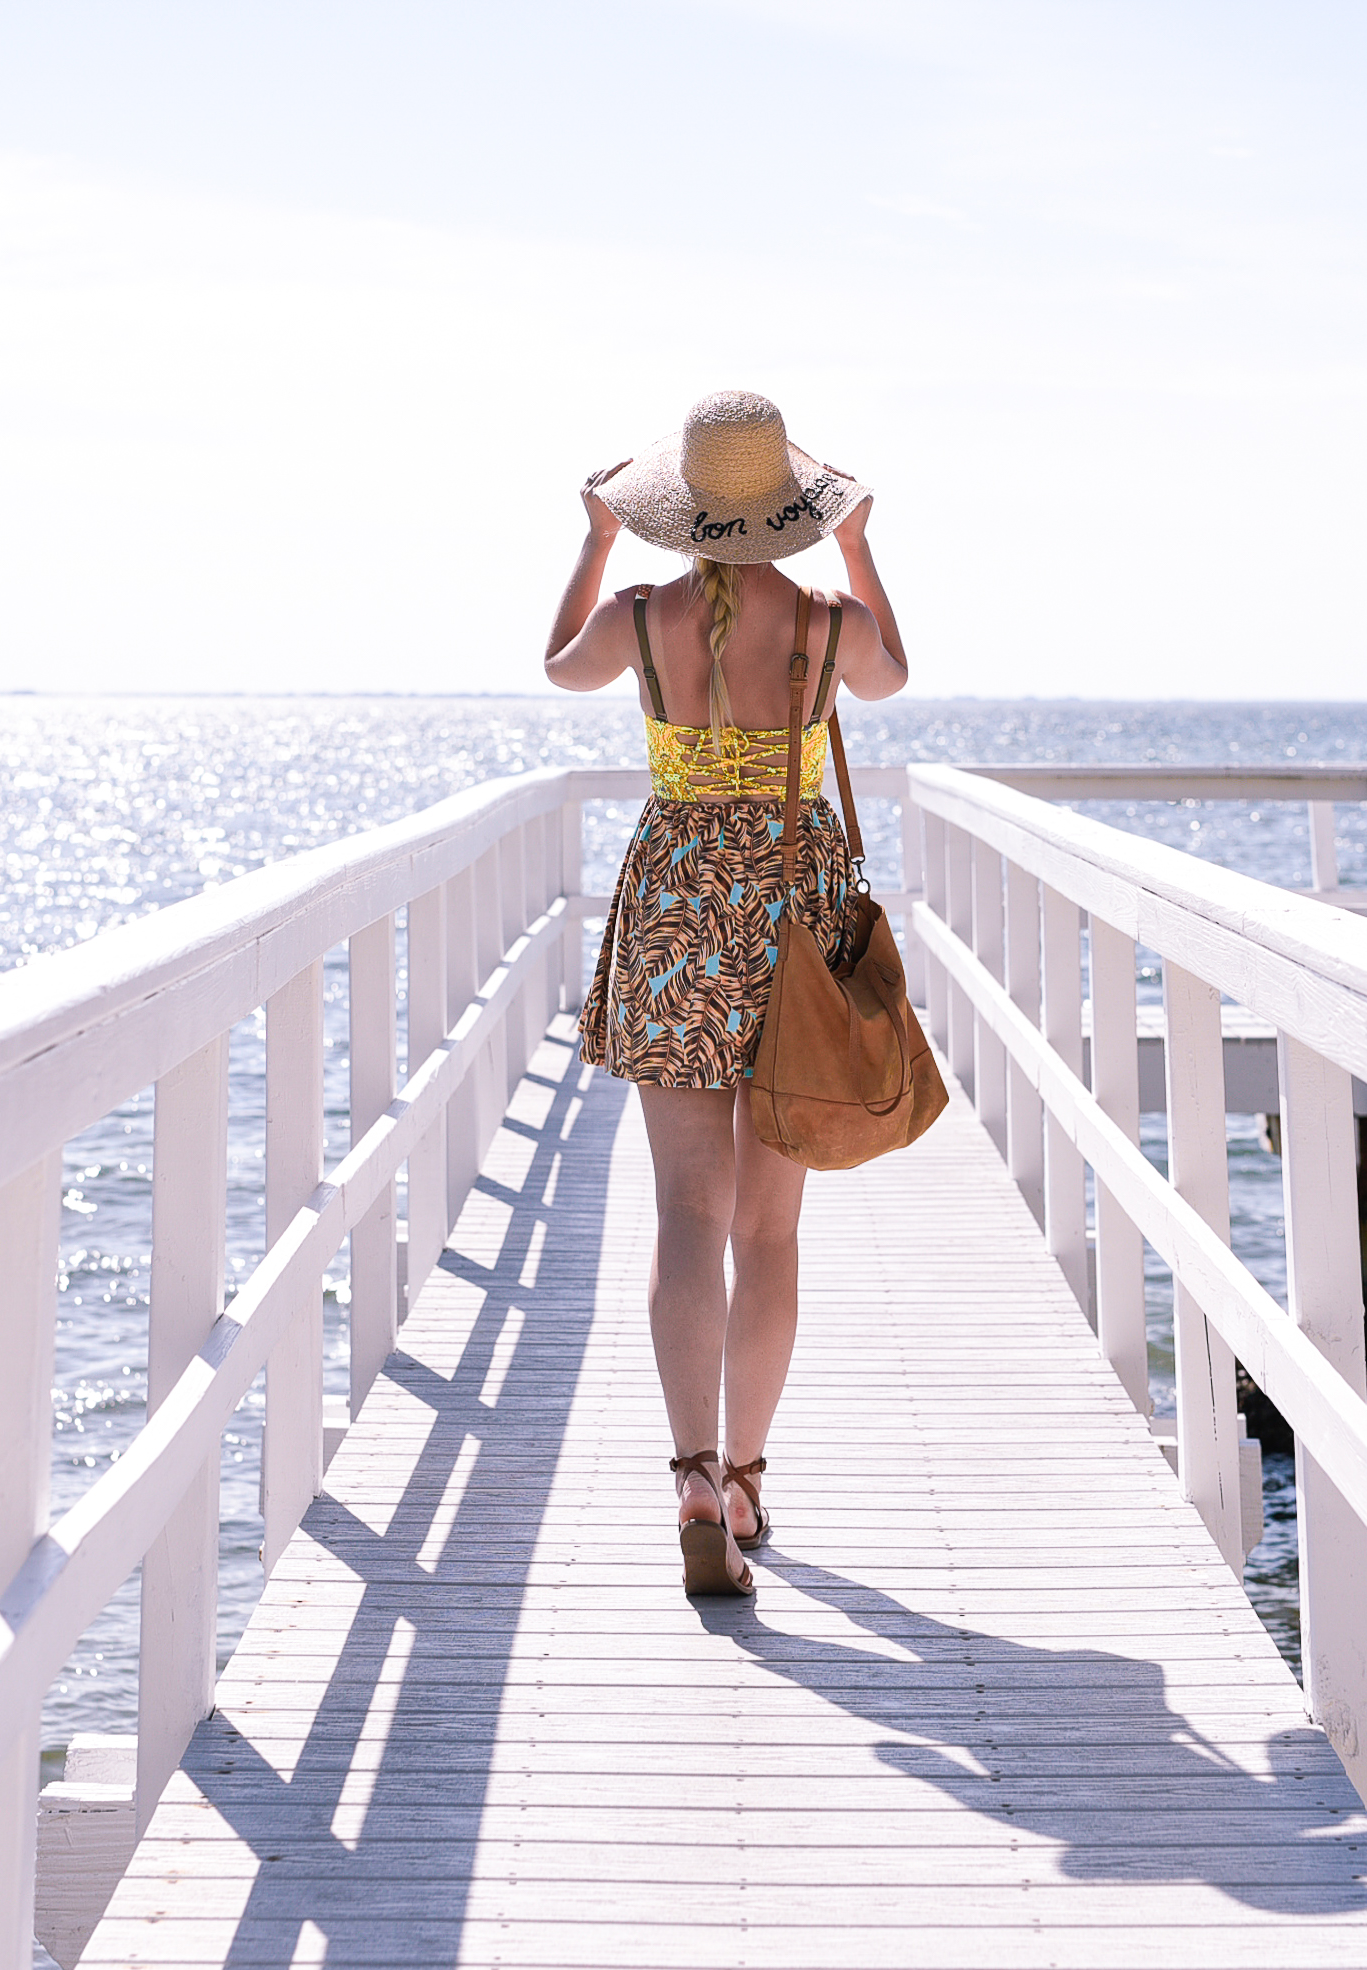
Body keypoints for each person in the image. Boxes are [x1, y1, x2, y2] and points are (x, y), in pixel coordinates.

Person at [544, 390, 909, 1594]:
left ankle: (691, 1468)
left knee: (685, 1216)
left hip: (674, 909)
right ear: (791, 513)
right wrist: (858, 548)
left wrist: (595, 542)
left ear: (675, 512)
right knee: (768, 1227)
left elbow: (557, 667)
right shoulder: (822, 620)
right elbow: (893, 678)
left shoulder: (639, 617)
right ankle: (747, 1476)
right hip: (791, 916)